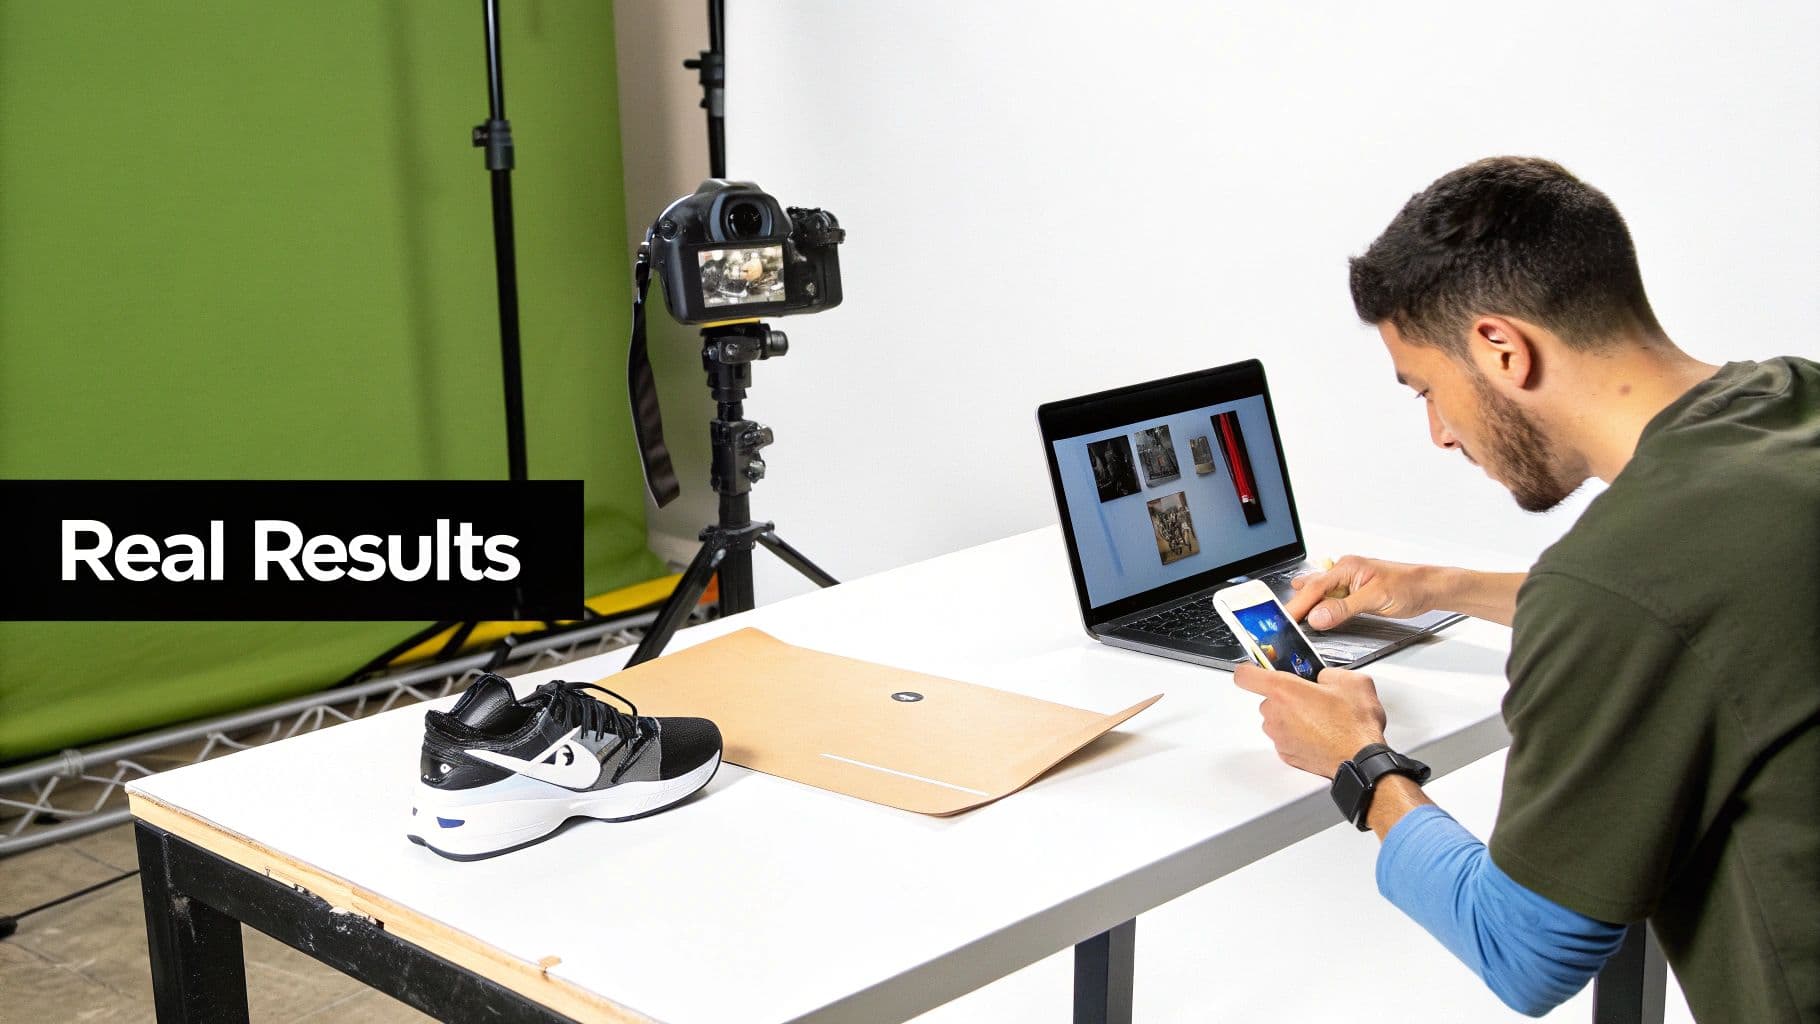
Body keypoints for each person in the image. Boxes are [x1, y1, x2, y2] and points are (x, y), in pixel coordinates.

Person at [1231, 156, 1818, 1021]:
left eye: (1427, 389)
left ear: (1502, 349)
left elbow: (1523, 951)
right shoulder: (1791, 399)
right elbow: (1709, 601)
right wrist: (1445, 585)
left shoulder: (1617, 584)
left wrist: (1360, 762)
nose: (1437, 432)